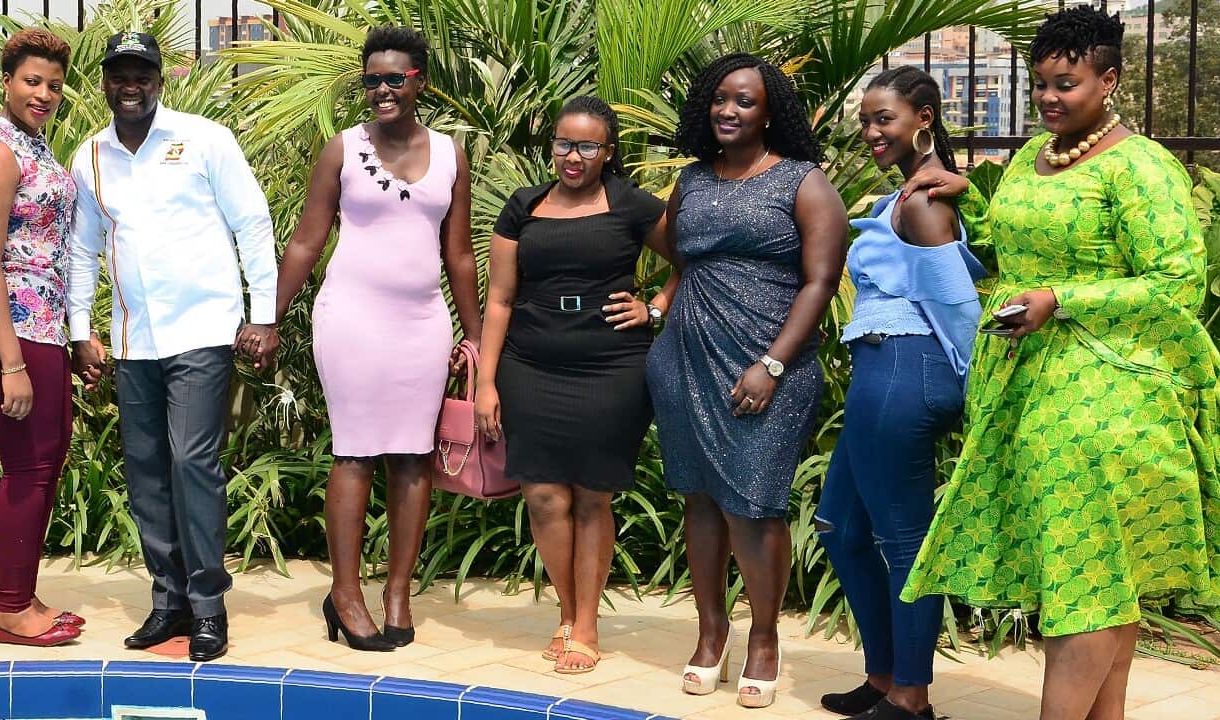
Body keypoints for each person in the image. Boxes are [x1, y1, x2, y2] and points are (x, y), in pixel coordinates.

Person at [899, 8, 1220, 720]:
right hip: (1032, 386)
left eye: (1066, 84)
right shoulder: (1031, 156)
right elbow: (1023, 249)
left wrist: (1061, 298)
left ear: (1108, 79)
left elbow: (1177, 282)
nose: (1048, 97)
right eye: (1040, 82)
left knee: (1086, 577)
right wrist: (973, 205)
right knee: (1102, 576)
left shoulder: (1142, 168)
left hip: (1112, 393)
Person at [256, 26, 482, 652]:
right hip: (351, 317)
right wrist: (268, 315)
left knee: (412, 455)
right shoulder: (341, 149)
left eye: (393, 79)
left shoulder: (451, 154)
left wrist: (478, 335)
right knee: (354, 451)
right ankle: (347, 593)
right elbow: (306, 240)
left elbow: (459, 255)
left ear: (420, 82)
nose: (380, 90)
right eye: (370, 79)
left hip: (423, 323)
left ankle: (398, 592)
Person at [68, 31, 278, 662]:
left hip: (202, 330)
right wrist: (80, 329)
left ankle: (209, 607)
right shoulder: (91, 157)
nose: (130, 85)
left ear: (160, 78)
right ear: (104, 81)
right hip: (135, 339)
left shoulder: (205, 139)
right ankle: (169, 603)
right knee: (147, 475)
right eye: (119, 74)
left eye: (142, 74)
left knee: (192, 462)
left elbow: (252, 221)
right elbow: (83, 248)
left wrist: (262, 314)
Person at [646, 53, 848, 708]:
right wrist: (658, 304)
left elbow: (820, 281)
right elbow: (677, 251)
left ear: (770, 113)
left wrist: (773, 362)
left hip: (766, 365)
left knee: (754, 506)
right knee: (700, 500)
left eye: (745, 102)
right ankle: (711, 635)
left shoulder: (802, 181)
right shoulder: (693, 182)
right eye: (721, 99)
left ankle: (763, 639)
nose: (728, 111)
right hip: (685, 359)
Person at [474, 96, 674, 674]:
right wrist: (486, 383)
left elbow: (693, 261)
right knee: (542, 495)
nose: (573, 155)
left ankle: (584, 623)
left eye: (587, 145)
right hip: (530, 365)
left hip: (611, 367)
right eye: (563, 142)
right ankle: (569, 612)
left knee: (592, 495)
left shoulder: (632, 204)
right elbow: (501, 299)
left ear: (608, 152)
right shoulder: (523, 207)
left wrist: (653, 307)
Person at [814, 67, 985, 720]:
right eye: (866, 120)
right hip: (882, 375)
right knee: (840, 526)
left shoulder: (919, 201)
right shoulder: (914, 192)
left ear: (924, 117)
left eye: (884, 117)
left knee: (904, 541)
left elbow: (959, 306)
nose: (871, 131)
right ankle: (886, 678)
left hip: (903, 374)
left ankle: (912, 697)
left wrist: (972, 390)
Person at [0, 28, 85, 648]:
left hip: (39, 321)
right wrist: (10, 363)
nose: (45, 93)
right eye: (32, 81)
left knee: (47, 458)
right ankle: (10, 613)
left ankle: (21, 592)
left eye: (54, 85)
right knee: (29, 464)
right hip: (5, 324)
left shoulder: (33, 145)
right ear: (5, 81)